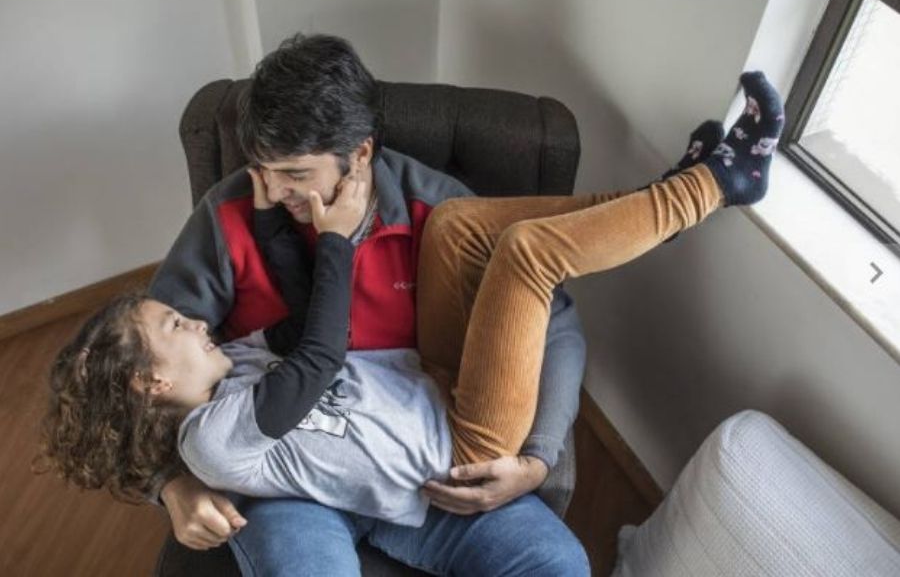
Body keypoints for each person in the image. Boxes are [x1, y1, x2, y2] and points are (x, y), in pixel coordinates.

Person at [39, 67, 782, 573]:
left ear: (358, 157)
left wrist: (540, 458)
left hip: (441, 441)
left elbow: (551, 325)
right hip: (295, 489)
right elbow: (132, 376)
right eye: (260, 168)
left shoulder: (429, 204)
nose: (267, 191)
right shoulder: (235, 218)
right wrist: (169, 484)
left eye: (295, 176)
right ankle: (688, 192)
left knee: (495, 243)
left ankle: (682, 195)